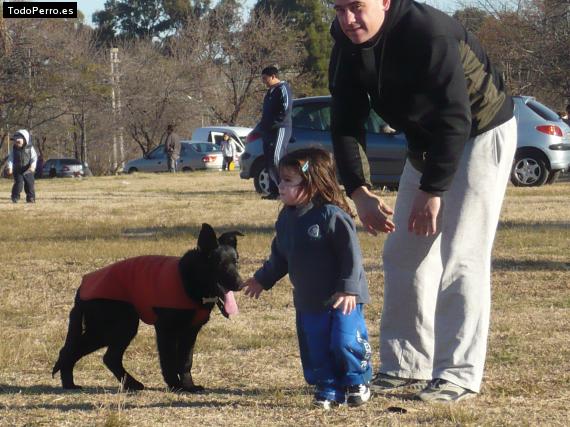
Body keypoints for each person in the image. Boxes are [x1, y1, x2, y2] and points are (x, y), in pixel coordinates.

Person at [329, 0, 518, 402]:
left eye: (356, 7)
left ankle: (458, 375)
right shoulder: (345, 42)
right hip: (427, 140)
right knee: (403, 252)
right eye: (338, 8)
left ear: (384, 1)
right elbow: (345, 121)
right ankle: (405, 365)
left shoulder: (428, 33)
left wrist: (433, 192)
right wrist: (358, 190)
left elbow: (455, 117)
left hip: (480, 131)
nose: (347, 19)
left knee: (461, 252)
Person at [243, 148, 373, 409]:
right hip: (309, 300)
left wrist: (348, 289)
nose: (280, 185)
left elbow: (351, 257)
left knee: (344, 340)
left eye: (288, 181)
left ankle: (355, 380)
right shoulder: (286, 219)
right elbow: (280, 256)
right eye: (280, 179)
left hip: (343, 297)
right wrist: (261, 279)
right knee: (316, 346)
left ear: (313, 184)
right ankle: (328, 387)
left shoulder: (332, 216)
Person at [258, 66, 293, 199]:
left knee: (276, 159)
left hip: (281, 128)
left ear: (273, 76)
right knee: (268, 161)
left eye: (265, 78)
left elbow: (285, 109)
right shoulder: (269, 92)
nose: (264, 81)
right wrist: (263, 126)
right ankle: (274, 191)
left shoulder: (283, 89)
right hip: (267, 132)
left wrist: (275, 123)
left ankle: (284, 189)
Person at [6, 129, 37, 203]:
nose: (17, 144)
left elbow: (34, 158)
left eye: (18, 142)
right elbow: (10, 159)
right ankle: (15, 197)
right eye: (15, 142)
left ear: (25, 139)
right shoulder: (14, 149)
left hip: (28, 169)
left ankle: (31, 198)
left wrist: (33, 166)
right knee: (18, 183)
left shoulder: (30, 148)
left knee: (29, 183)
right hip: (18, 169)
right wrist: (9, 167)